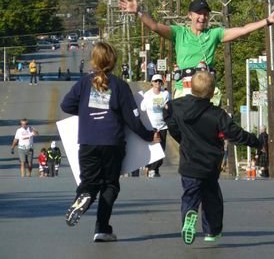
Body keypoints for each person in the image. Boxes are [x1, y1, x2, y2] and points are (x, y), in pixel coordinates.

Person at [60, 41, 158, 242]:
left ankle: (83, 196)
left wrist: (86, 112)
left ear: (93, 61)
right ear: (113, 62)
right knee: (110, 185)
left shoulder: (83, 83)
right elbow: (133, 120)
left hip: (88, 141)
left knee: (89, 181)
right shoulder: (120, 86)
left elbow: (65, 105)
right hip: (112, 142)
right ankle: (102, 229)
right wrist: (150, 136)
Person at [119, 0, 274, 103]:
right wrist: (138, 12)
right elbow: (155, 26)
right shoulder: (180, 33)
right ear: (190, 15)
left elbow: (243, 30)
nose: (202, 17)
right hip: (184, 91)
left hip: (207, 93)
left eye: (205, 14)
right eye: (198, 13)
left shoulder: (213, 34)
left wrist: (267, 21)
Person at [163, 71, 261, 245]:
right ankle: (211, 231)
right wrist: (255, 142)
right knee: (212, 198)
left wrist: (180, 136)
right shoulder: (217, 114)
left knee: (189, 195)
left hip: (189, 164)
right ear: (212, 91)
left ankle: (189, 215)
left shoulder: (177, 106)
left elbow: (168, 115)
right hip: (210, 165)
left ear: (190, 87)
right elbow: (235, 134)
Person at [141, 74, 170, 177]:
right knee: (153, 149)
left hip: (162, 126)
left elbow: (168, 106)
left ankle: (154, 169)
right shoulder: (147, 95)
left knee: (161, 150)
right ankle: (152, 169)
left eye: (159, 81)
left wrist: (165, 106)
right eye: (155, 81)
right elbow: (143, 108)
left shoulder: (165, 94)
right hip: (151, 126)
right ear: (152, 83)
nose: (158, 83)